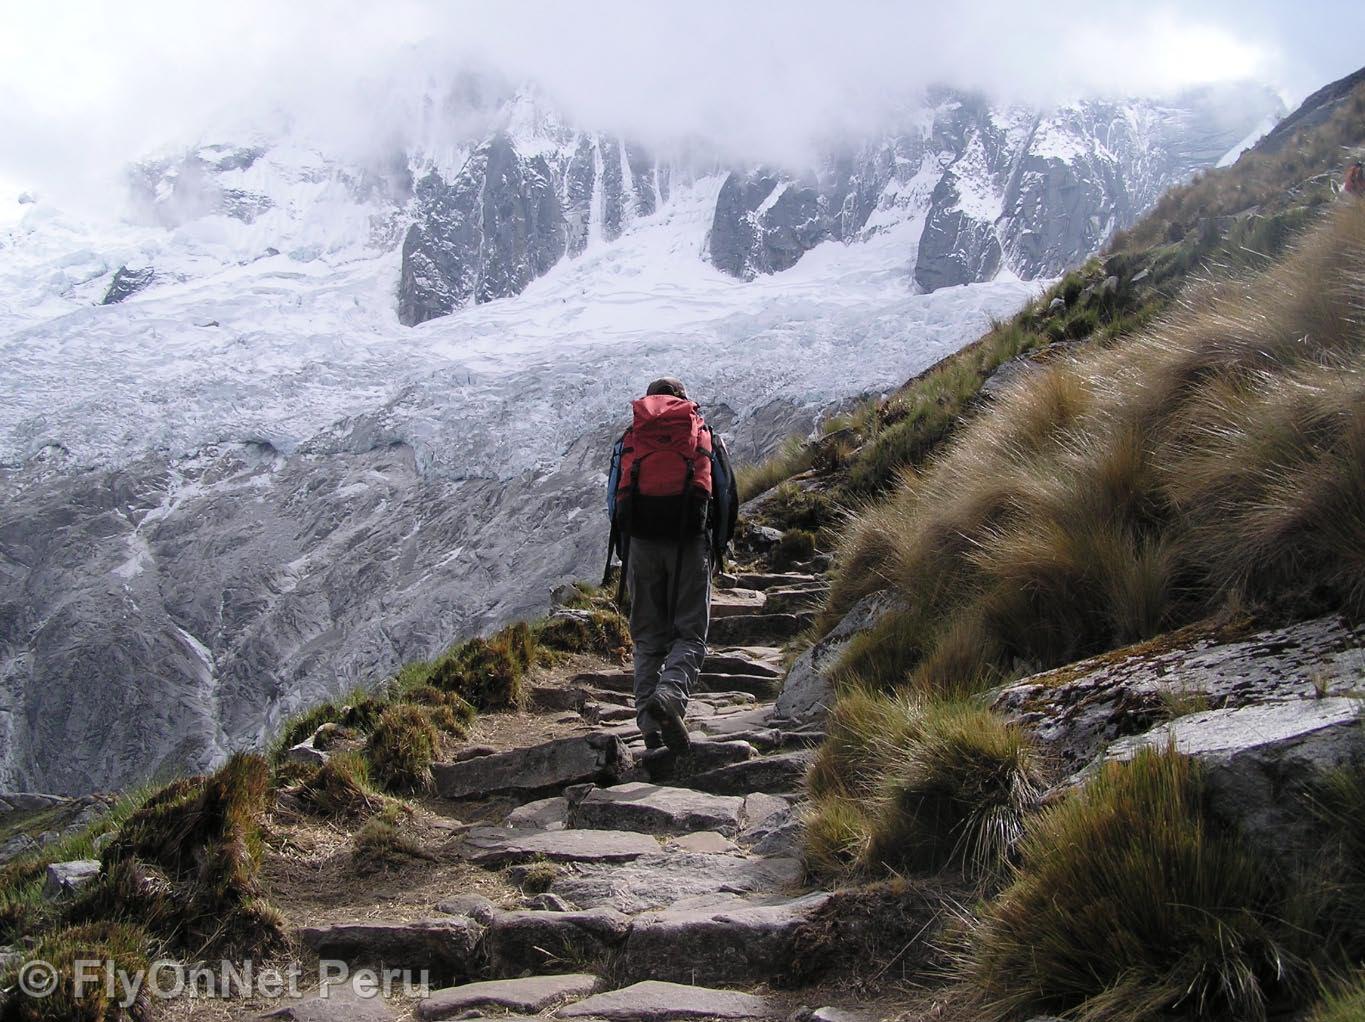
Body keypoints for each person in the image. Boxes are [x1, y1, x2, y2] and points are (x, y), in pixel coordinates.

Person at [603, 377, 738, 755]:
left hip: (642, 546)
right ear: (684, 400)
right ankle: (670, 695)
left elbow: (615, 502)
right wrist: (719, 547)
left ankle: (649, 726)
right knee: (690, 634)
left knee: (648, 638)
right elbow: (725, 494)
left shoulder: (632, 436)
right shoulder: (699, 432)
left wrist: (625, 548)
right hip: (689, 543)